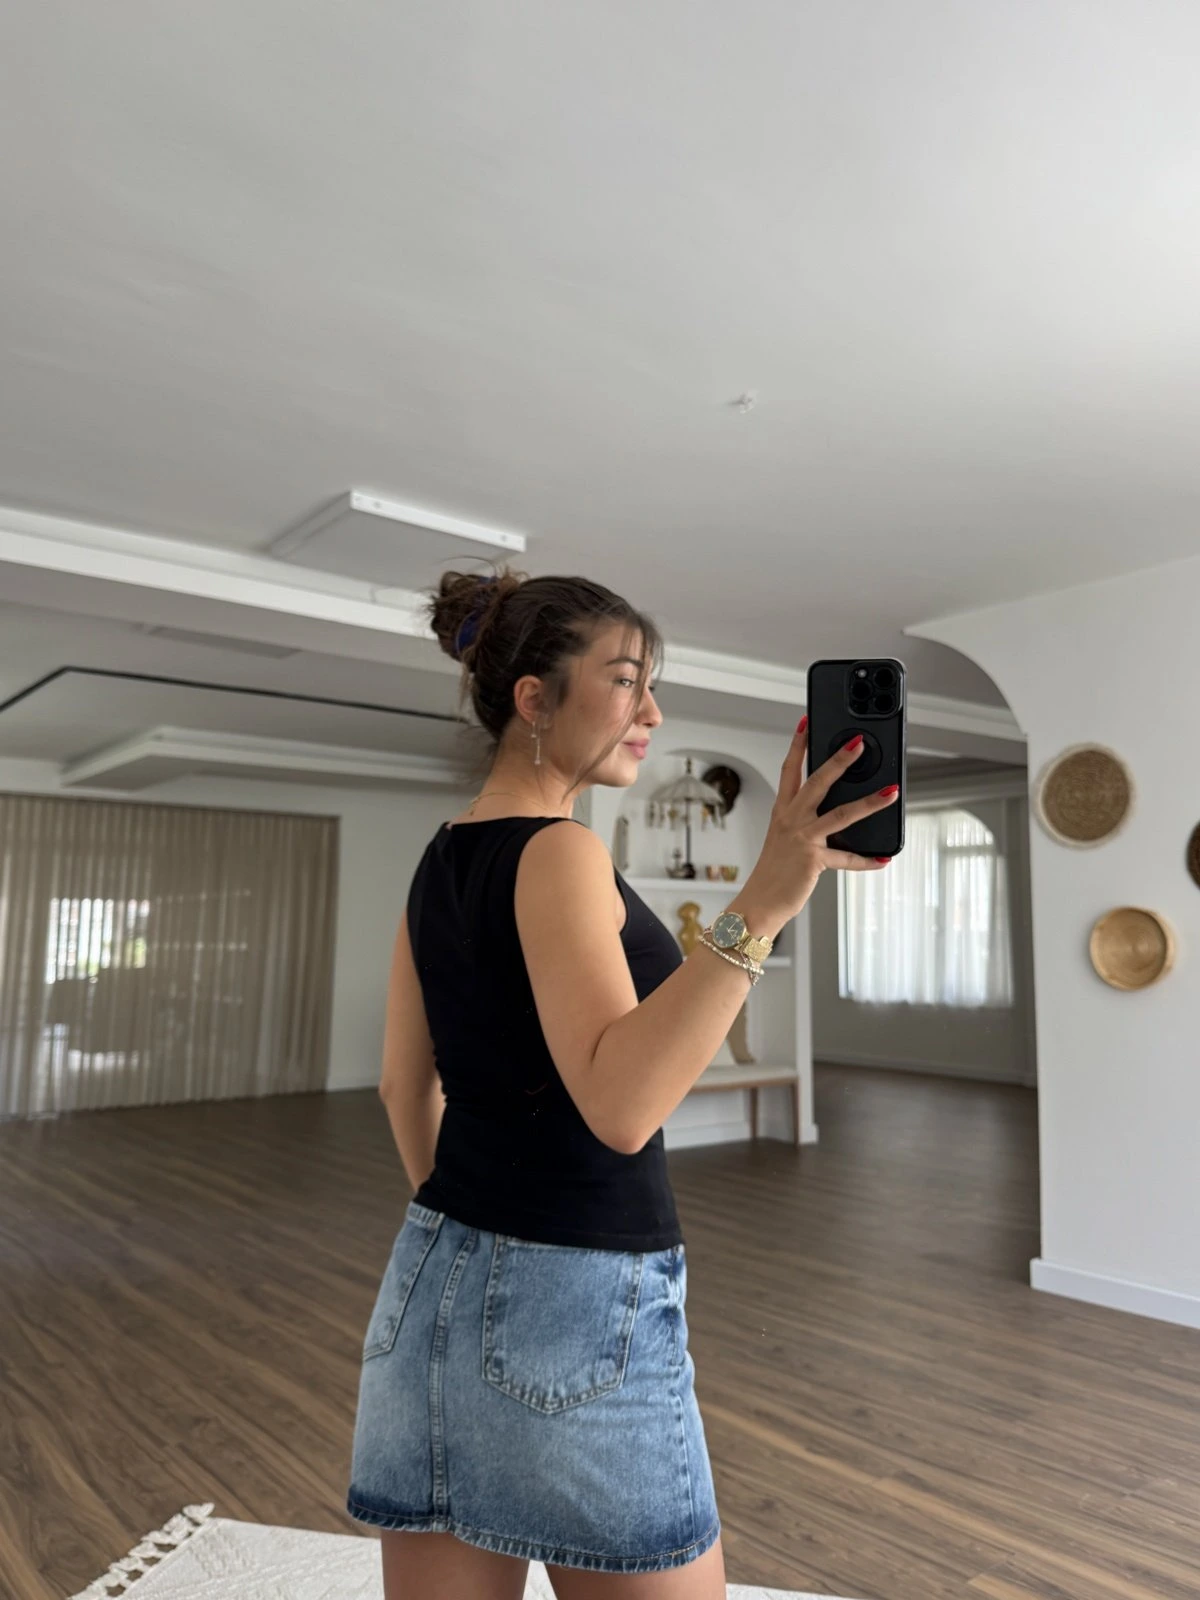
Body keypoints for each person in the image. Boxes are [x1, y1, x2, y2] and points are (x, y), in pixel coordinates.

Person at [346, 567, 897, 1599]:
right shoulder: (558, 852)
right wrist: (768, 898)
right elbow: (621, 1106)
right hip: (571, 1301)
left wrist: (477, 1235)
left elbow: (398, 1086)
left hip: (426, 1287)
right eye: (627, 681)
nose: (653, 711)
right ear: (534, 699)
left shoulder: (442, 857)